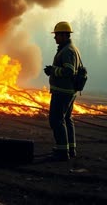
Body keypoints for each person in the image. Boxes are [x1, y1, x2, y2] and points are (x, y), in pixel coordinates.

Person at [44, 21, 81, 161]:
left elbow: (69, 71)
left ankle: (62, 151)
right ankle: (70, 148)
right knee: (66, 119)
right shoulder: (69, 49)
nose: (55, 38)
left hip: (63, 91)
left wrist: (53, 70)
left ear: (64, 35)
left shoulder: (68, 51)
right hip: (68, 91)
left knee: (56, 120)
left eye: (57, 35)